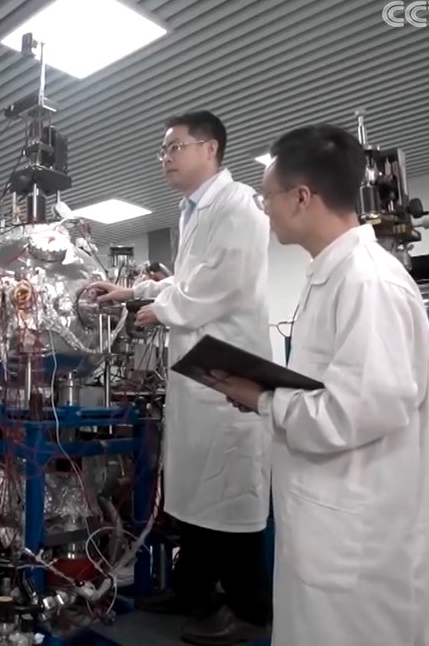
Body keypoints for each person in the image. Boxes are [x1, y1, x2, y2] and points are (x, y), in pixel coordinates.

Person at [202, 125, 429, 645]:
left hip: (364, 547)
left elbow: (355, 414)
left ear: (302, 197)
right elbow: (334, 391)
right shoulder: (331, 276)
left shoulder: (368, 282)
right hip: (332, 527)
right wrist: (265, 396)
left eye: (267, 197)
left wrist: (264, 398)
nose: (265, 209)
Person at [88, 111, 273, 644]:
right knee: (194, 489)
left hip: (228, 374)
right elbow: (187, 282)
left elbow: (225, 286)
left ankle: (250, 609)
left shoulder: (238, 206)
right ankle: (194, 590)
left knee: (230, 492)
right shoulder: (191, 210)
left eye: (175, 147)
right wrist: (133, 293)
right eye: (162, 149)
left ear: (210, 148)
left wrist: (160, 310)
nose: (165, 157)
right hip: (197, 375)